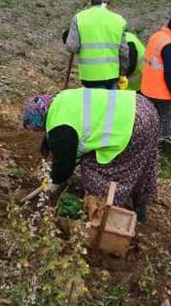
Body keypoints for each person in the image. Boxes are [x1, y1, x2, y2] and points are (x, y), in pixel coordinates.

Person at [21, 88, 158, 222]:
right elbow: (69, 128)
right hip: (141, 106)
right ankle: (140, 205)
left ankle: (102, 210)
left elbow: (64, 167)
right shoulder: (60, 99)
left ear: (39, 122)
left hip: (132, 125)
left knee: (94, 165)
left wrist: (54, 180)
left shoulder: (60, 129)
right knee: (141, 162)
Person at [140, 14, 171, 141]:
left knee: (149, 118)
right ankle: (164, 146)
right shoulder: (170, 44)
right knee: (166, 121)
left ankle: (146, 141)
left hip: (148, 88)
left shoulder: (156, 36)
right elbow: (169, 71)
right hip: (163, 92)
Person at [64, 0, 127, 89]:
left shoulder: (79, 18)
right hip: (112, 75)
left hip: (89, 76)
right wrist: (123, 73)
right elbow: (123, 51)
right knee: (110, 104)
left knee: (91, 104)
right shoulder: (119, 20)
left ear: (92, 1)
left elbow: (72, 47)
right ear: (108, 2)